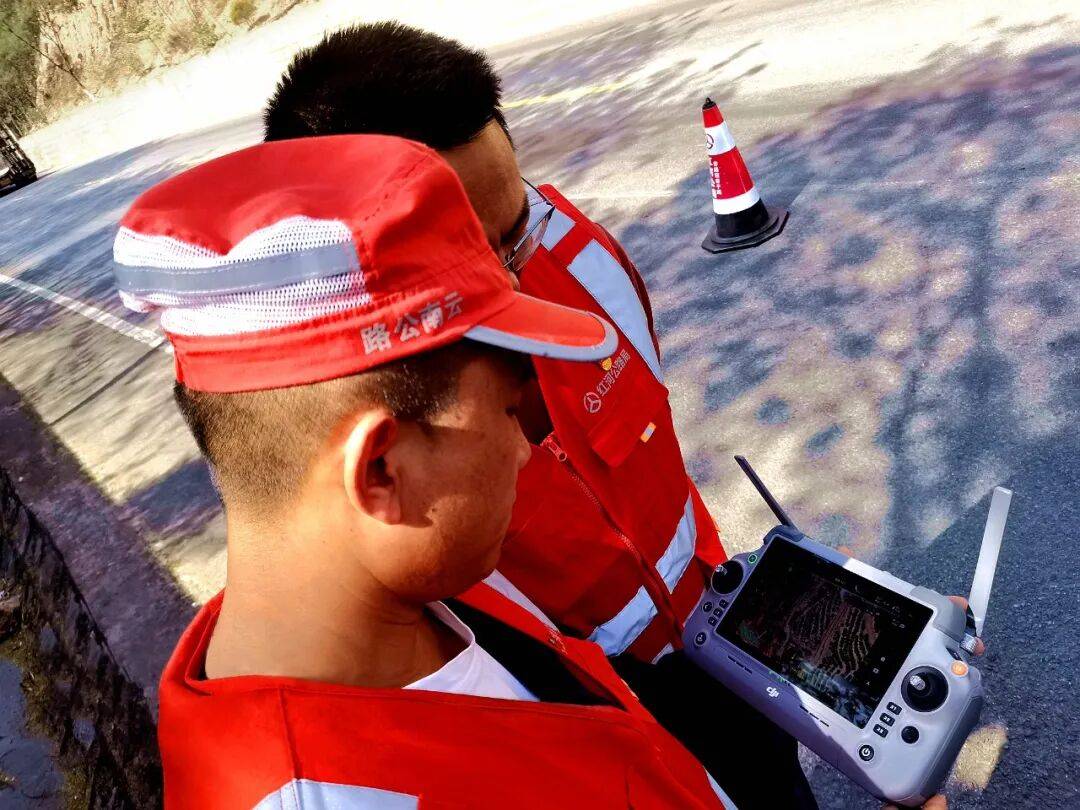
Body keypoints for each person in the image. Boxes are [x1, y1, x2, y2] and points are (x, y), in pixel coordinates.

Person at [261, 23, 813, 809]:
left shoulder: (580, 256)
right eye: (463, 261)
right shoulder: (364, 454)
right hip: (598, 733)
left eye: (516, 232)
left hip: (728, 640)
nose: (515, 292)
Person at [116, 134, 736, 808]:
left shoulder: (429, 580)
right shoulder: (336, 789)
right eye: (509, 412)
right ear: (380, 470)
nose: (524, 450)